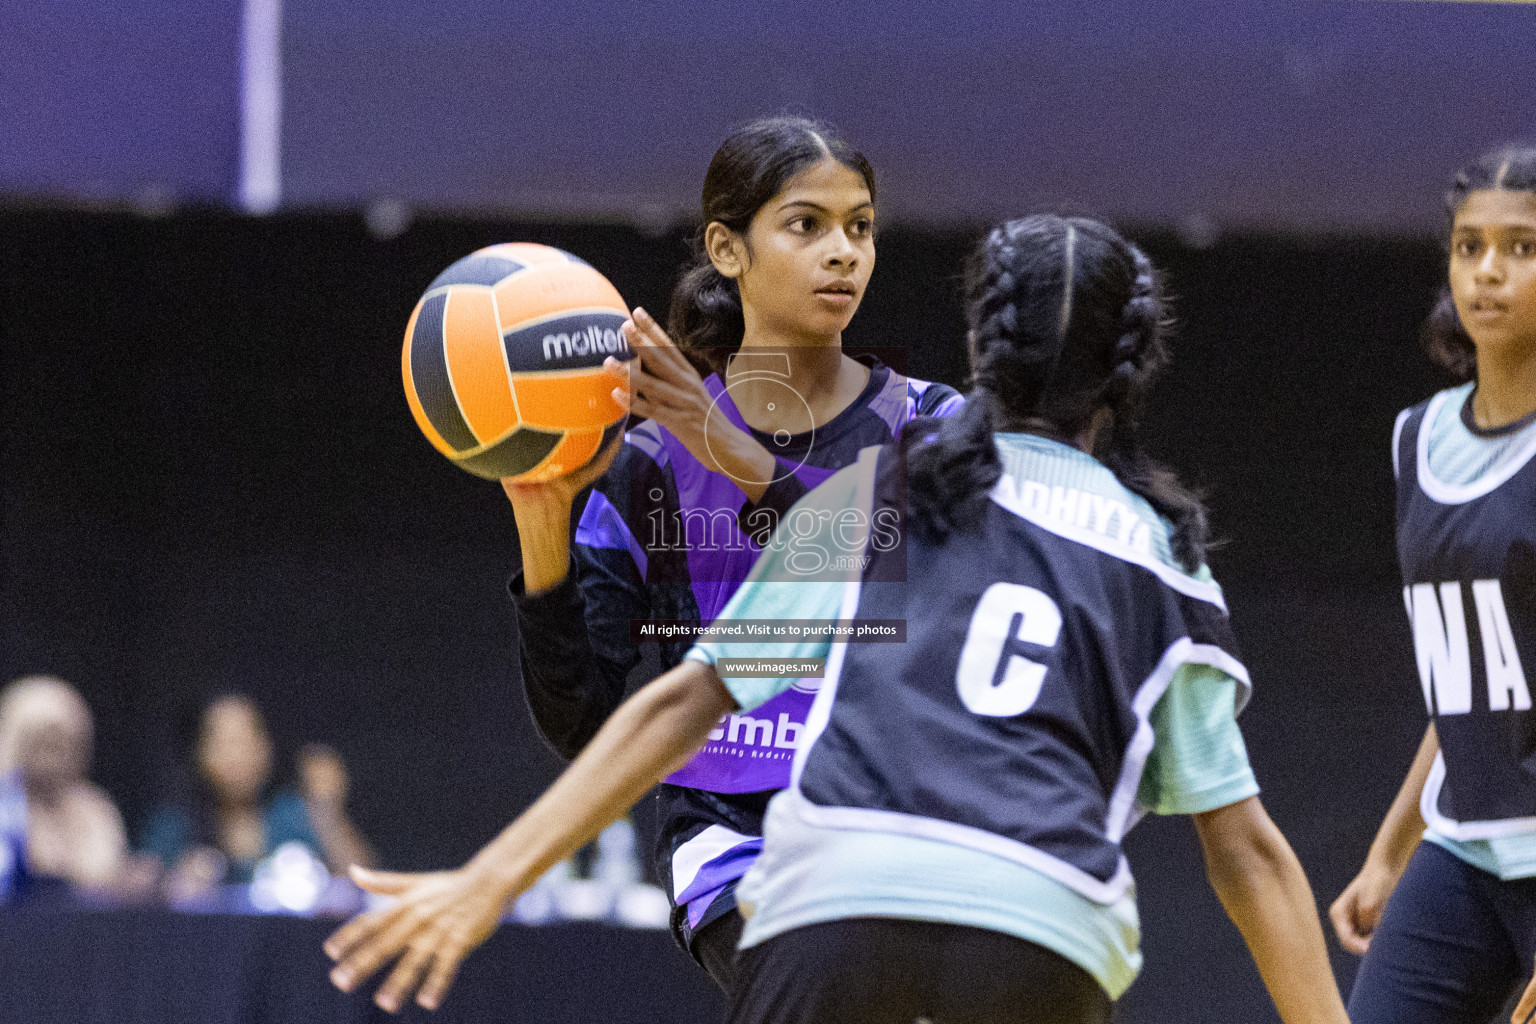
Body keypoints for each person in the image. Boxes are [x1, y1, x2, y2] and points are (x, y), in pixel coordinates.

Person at [325, 214, 1348, 1024]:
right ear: (1136, 364)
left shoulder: (881, 493)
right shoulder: (1160, 554)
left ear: (982, 346)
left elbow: (684, 699)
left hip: (836, 898)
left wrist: (492, 876)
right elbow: (1248, 852)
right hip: (1043, 918)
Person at [503, 114, 960, 986]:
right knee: (818, 980)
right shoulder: (646, 465)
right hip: (735, 833)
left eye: (860, 227)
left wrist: (731, 449)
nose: (844, 253)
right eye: (807, 225)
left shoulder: (930, 423)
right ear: (726, 248)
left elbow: (884, 560)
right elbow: (582, 724)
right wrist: (540, 517)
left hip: (907, 815)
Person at [1329, 146, 1536, 1024]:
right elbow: (1472, 679)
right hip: (1463, 849)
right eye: (1468, 246)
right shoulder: (1417, 440)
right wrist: (1388, 853)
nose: (1487, 271)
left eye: (1521, 248)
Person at [139, 693, 375, 898]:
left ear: (266, 749)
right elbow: (139, 886)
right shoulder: (175, 822)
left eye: (245, 741)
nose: (236, 757)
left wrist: (328, 810)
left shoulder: (293, 812)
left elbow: (362, 880)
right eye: (223, 743)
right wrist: (171, 884)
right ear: (199, 753)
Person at [0, 675, 136, 894]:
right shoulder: (7, 809)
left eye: (68, 744)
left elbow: (110, 877)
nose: (57, 757)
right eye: (47, 743)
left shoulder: (96, 808)